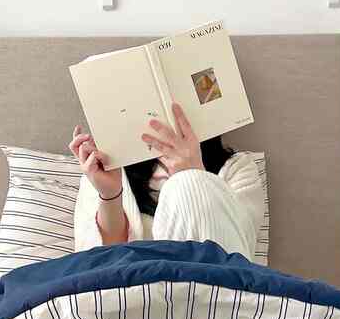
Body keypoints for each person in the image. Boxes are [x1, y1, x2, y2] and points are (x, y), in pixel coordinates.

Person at [70, 102, 264, 259]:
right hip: (135, 299)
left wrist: (193, 174)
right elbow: (99, 264)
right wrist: (110, 195)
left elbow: (239, 255)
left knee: (184, 183)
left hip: (211, 298)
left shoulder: (238, 168)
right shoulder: (102, 170)